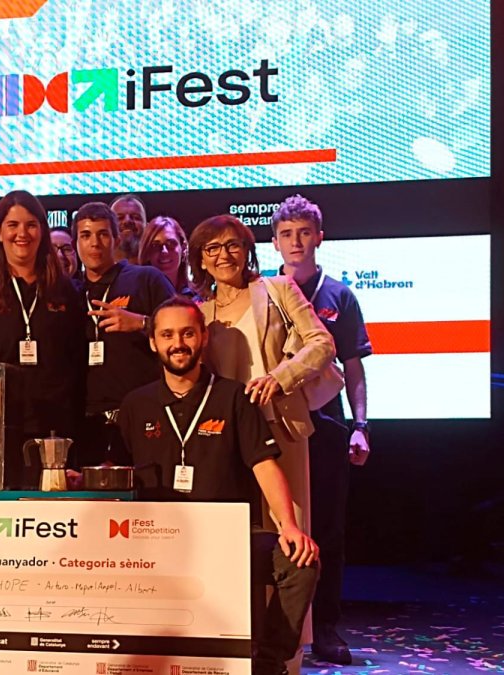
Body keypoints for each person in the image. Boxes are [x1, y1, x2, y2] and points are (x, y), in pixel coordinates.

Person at [119, 297, 319, 675]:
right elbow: (121, 473)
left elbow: (264, 465)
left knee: (300, 563)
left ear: (203, 337)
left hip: (229, 538)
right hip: (159, 541)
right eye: (167, 335)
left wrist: (289, 526)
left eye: (187, 333)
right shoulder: (135, 404)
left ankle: (268, 661)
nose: (178, 343)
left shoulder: (234, 397)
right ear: (153, 342)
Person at [189, 214, 335, 670]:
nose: (223, 255)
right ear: (201, 260)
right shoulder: (201, 311)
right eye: (212, 248)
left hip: (280, 430)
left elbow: (322, 343)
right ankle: (240, 647)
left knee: (288, 540)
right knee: (236, 543)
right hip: (225, 443)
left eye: (232, 245)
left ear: (248, 249)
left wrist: (281, 375)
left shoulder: (278, 290)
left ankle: (285, 655)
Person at [272, 195, 372, 666]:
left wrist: (361, 426)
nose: (296, 242)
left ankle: (327, 628)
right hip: (277, 428)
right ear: (274, 241)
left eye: (304, 232)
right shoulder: (265, 292)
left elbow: (353, 367)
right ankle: (281, 625)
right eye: (287, 234)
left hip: (328, 427)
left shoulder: (340, 295)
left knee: (328, 531)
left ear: (319, 237)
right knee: (279, 526)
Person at [0, 190, 85, 488]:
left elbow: (77, 367)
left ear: (42, 232)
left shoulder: (65, 292)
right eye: (13, 225)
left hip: (53, 435)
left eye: (31, 224)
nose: (22, 233)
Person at [69, 202, 175, 467]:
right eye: (86, 235)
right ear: (76, 243)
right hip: (85, 422)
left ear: (116, 239)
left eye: (103, 234)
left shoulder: (146, 279)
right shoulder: (68, 292)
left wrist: (141, 323)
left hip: (144, 414)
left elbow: (182, 330)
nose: (95, 243)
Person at [138, 215, 198, 299]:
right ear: (147, 252)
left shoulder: (198, 297)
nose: (164, 251)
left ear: (183, 248)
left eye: (171, 243)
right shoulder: (136, 294)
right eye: (155, 245)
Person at [110, 193, 147, 264]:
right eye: (119, 218)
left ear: (147, 226)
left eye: (136, 217)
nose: (127, 221)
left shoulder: (159, 269)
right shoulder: (96, 270)